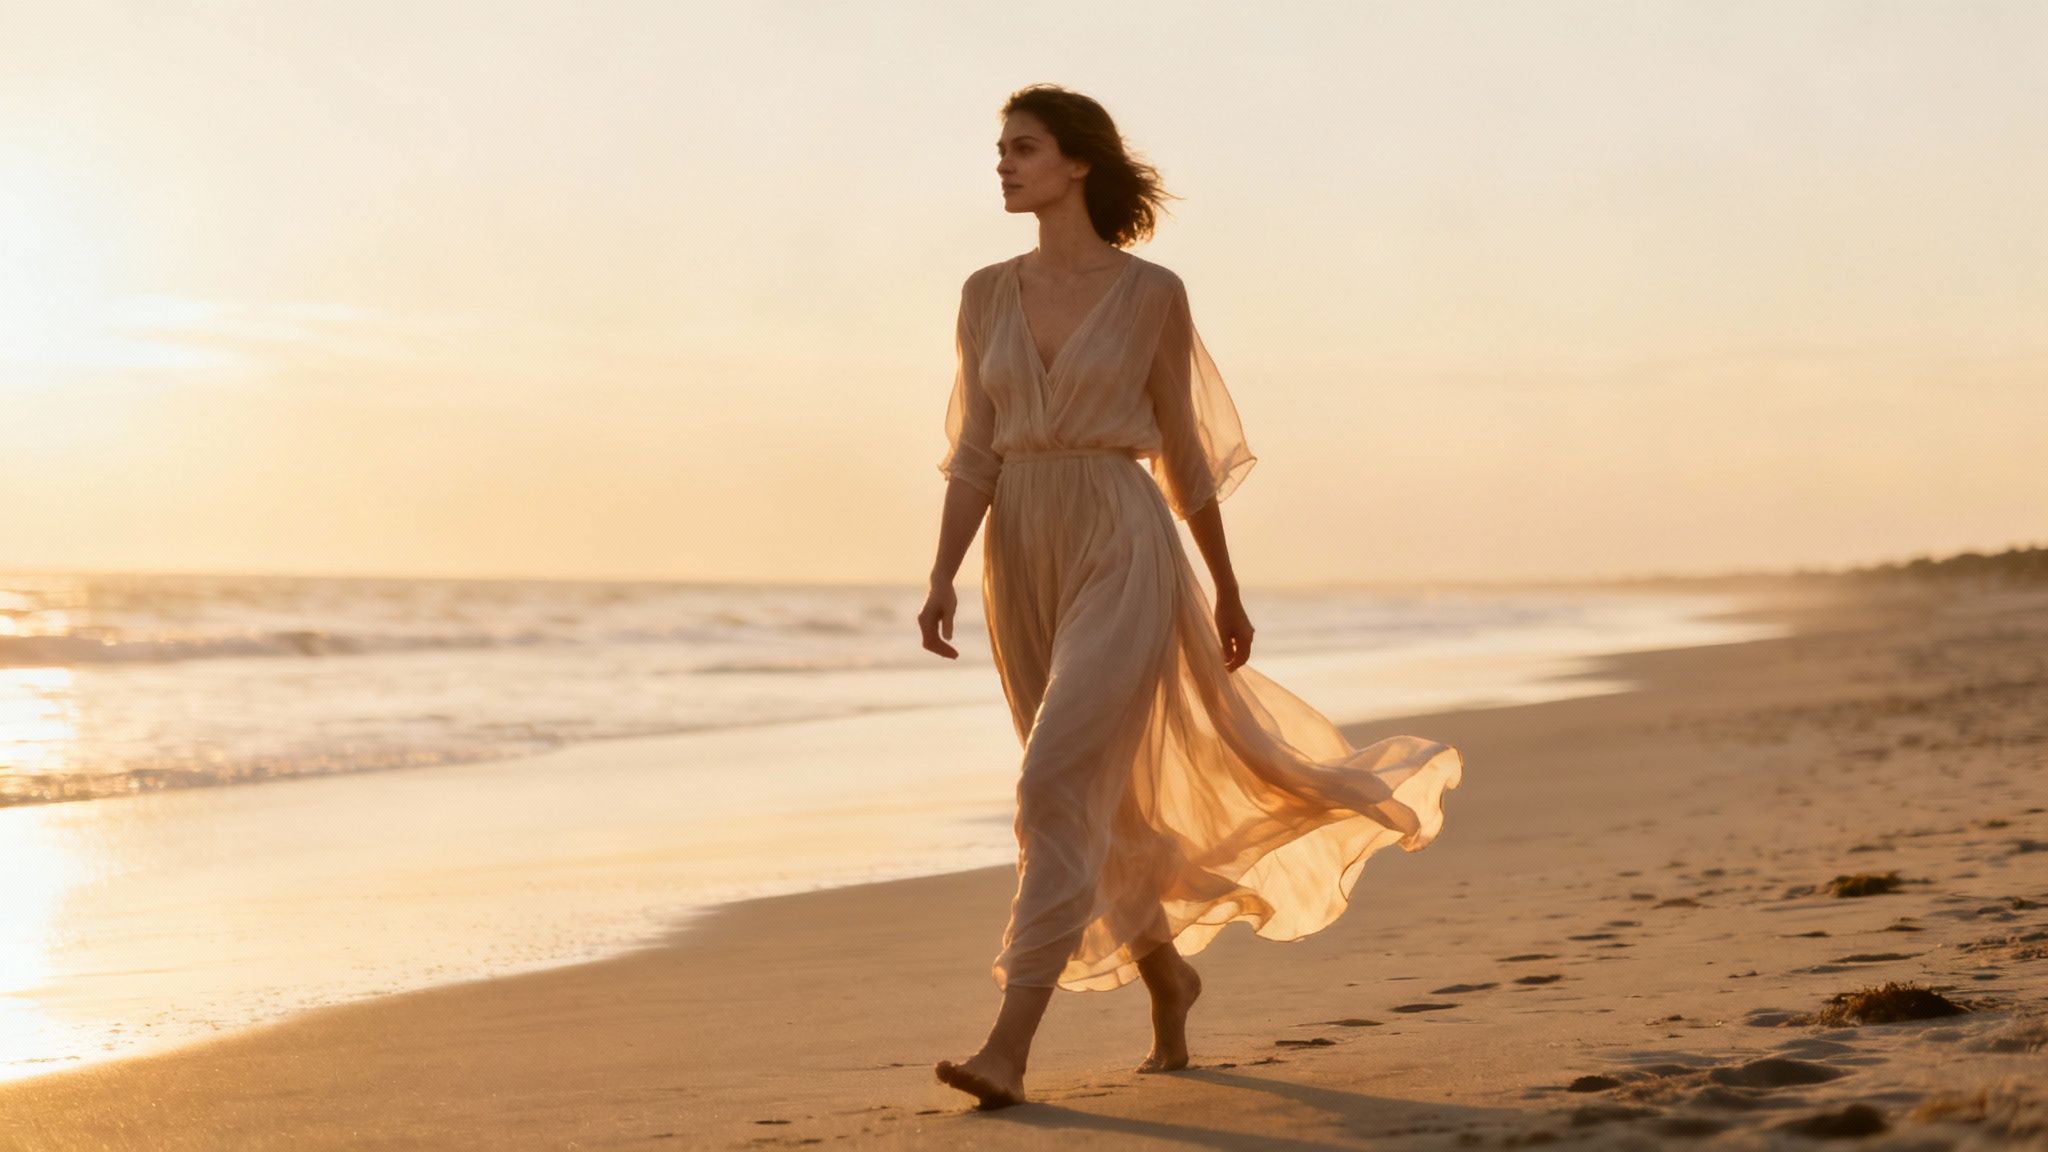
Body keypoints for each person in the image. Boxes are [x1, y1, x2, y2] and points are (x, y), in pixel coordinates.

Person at [918, 84, 1464, 1110]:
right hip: (1019, 552)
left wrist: (1225, 588)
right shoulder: (982, 292)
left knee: (1048, 788)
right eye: (999, 150)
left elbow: (1184, 451)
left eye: (1022, 149)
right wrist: (942, 573)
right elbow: (972, 452)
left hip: (1122, 541)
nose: (1001, 164)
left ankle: (1007, 1047)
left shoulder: (1150, 293)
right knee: (1095, 794)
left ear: (1077, 162)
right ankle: (1166, 970)